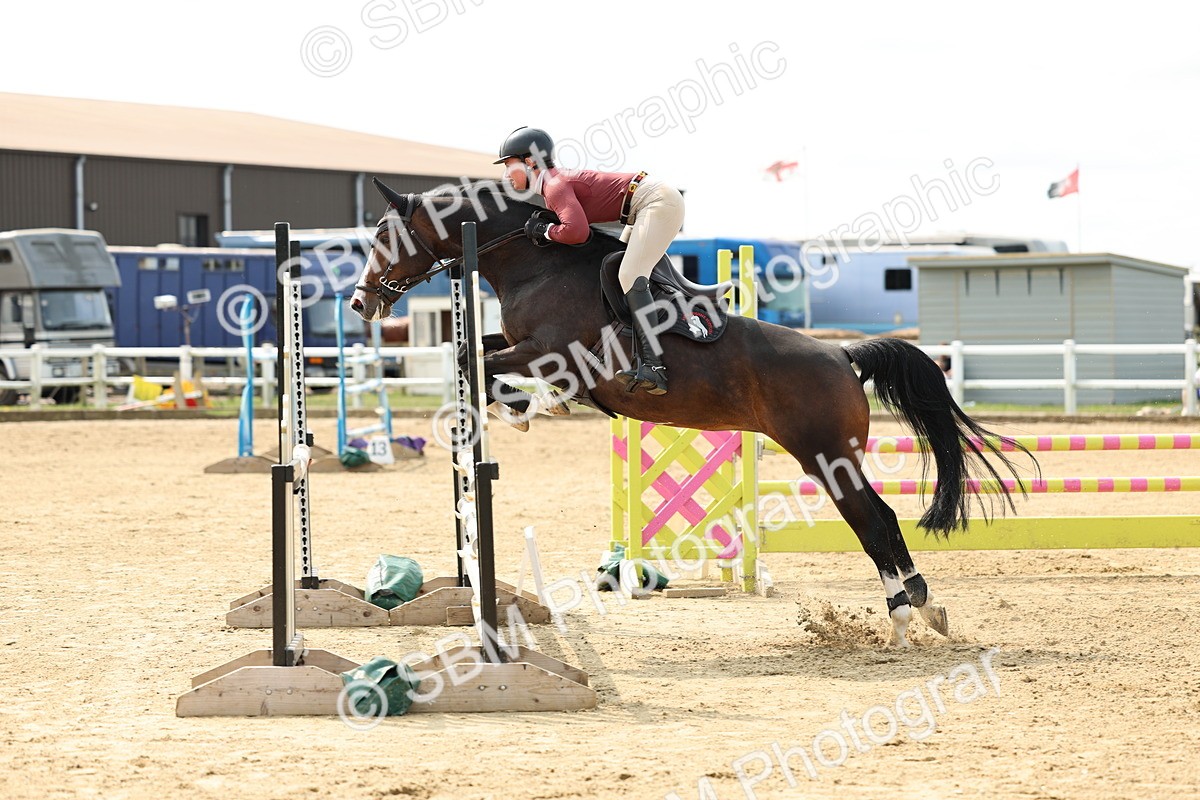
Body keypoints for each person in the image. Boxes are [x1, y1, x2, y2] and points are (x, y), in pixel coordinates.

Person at [495, 126, 684, 396]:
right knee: (619, 272)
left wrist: (545, 231)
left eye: (508, 165)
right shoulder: (552, 185)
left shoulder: (554, 186)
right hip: (641, 207)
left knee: (630, 276)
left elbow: (577, 233)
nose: (505, 175)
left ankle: (655, 366)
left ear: (529, 162)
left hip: (656, 203)